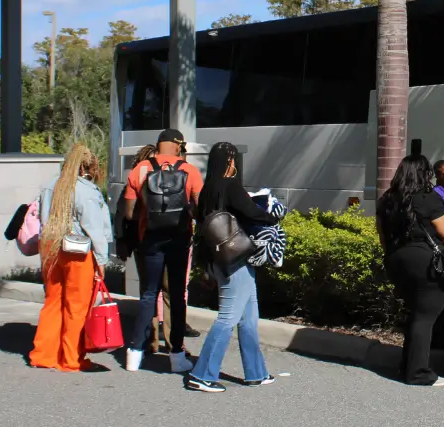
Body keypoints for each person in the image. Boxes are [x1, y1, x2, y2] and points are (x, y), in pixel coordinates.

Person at [185, 141, 280, 392]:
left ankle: (256, 373)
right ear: (230, 162)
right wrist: (273, 215)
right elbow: (252, 212)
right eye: (232, 160)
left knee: (249, 318)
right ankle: (202, 375)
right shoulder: (230, 186)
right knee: (228, 318)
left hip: (219, 260)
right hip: (236, 262)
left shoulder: (208, 189)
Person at [119, 129, 203, 374]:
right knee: (176, 296)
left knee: (148, 295)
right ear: (177, 146)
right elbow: (199, 208)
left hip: (150, 240)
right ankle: (176, 355)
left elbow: (129, 213)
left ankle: (134, 354)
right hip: (178, 239)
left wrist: (148, 217)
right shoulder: (189, 171)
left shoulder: (140, 169)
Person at [29, 144, 112, 372]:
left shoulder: (49, 186)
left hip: (51, 247)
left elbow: (43, 218)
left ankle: (44, 355)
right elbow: (93, 228)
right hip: (77, 251)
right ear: (87, 168)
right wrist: (102, 259)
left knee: (52, 302)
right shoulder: (86, 191)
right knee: (77, 306)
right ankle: (72, 358)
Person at [378, 155, 444, 387]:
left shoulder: (387, 199)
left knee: (416, 313)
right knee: (425, 317)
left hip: (396, 261)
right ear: (423, 174)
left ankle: (408, 365)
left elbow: (383, 236)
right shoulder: (428, 198)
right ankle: (418, 373)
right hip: (425, 263)